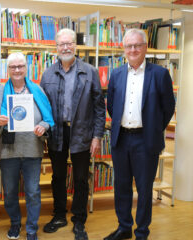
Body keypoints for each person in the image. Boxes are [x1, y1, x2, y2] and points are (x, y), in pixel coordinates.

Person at [104, 28, 175, 240]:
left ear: (145, 47)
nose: (133, 49)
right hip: (121, 139)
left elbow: (168, 107)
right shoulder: (116, 74)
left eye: (137, 45)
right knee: (121, 186)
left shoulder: (160, 74)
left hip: (146, 141)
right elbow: (112, 106)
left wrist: (152, 128)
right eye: (129, 46)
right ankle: (124, 227)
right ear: (124, 49)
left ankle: (142, 232)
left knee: (144, 190)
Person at [40, 28, 106, 240]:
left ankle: (79, 220)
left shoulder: (90, 71)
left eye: (69, 43)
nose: (66, 47)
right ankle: (59, 215)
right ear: (56, 47)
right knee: (58, 176)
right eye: (62, 44)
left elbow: (99, 107)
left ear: (75, 46)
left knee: (80, 178)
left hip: (82, 131)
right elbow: (41, 106)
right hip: (57, 132)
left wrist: (97, 136)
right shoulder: (48, 73)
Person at [0, 52, 54, 240]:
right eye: (13, 67)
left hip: (32, 150)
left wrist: (43, 126)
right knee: (10, 192)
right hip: (8, 151)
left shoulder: (37, 91)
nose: (17, 70)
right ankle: (15, 224)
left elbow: (49, 118)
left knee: (33, 192)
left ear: (26, 68)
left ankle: (31, 229)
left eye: (20, 66)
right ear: (7, 69)